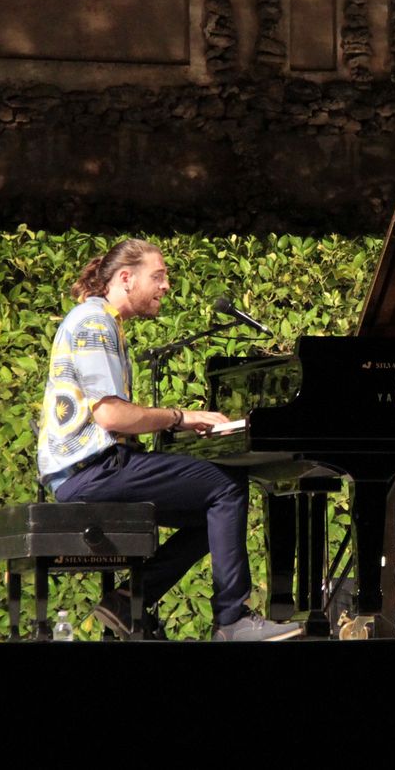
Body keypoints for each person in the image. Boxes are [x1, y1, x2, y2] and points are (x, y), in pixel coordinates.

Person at [37, 237, 301, 642]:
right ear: (126, 278)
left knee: (210, 515)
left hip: (89, 470)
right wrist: (180, 417)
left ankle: (129, 599)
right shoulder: (94, 324)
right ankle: (232, 621)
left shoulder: (101, 320)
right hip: (90, 472)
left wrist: (175, 426)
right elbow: (111, 416)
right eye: (158, 276)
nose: (166, 286)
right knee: (227, 485)